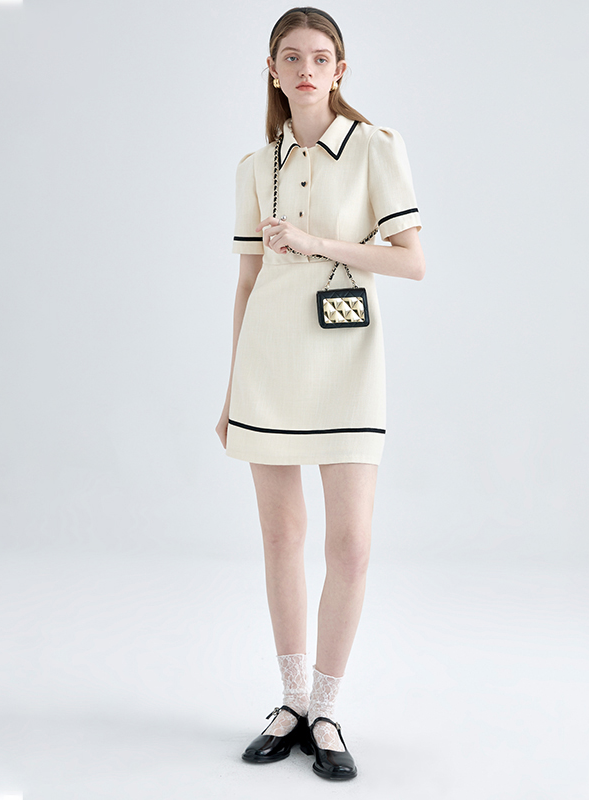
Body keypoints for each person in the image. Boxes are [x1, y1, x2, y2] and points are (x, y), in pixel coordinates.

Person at [215, 6, 425, 782]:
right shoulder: (254, 166)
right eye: (292, 57)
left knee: (351, 545)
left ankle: (328, 710)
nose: (307, 69)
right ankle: (292, 703)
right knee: (281, 539)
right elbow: (247, 282)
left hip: (346, 365)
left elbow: (411, 261)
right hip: (268, 366)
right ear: (272, 71)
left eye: (321, 57)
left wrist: (317, 244)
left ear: (341, 71)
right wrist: (231, 390)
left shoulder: (375, 147)